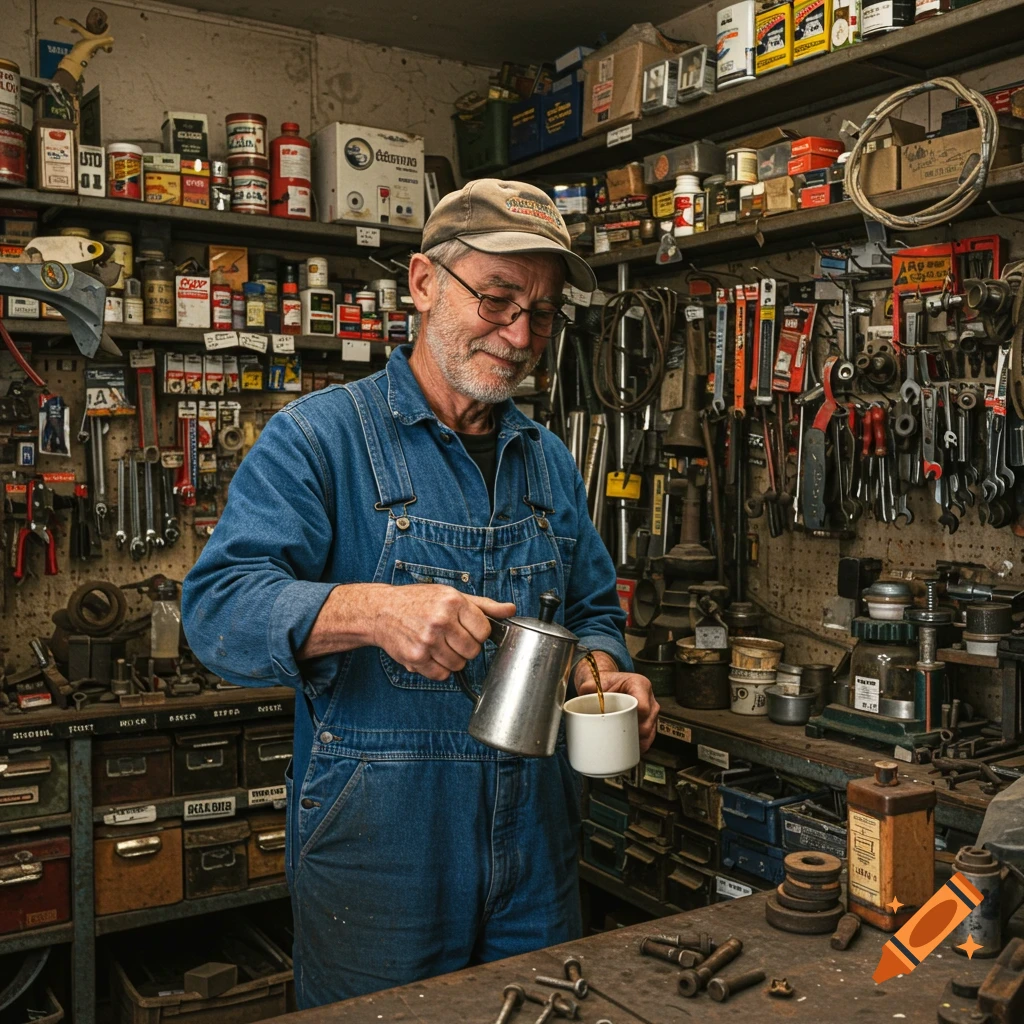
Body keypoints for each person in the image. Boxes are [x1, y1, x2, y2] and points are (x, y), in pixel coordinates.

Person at [181, 178, 659, 1009]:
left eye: (542, 314)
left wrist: (611, 671)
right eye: (499, 299)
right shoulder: (319, 439)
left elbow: (590, 612)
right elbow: (216, 609)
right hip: (382, 859)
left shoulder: (545, 460)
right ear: (424, 282)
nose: (519, 335)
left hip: (539, 850)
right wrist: (371, 610)